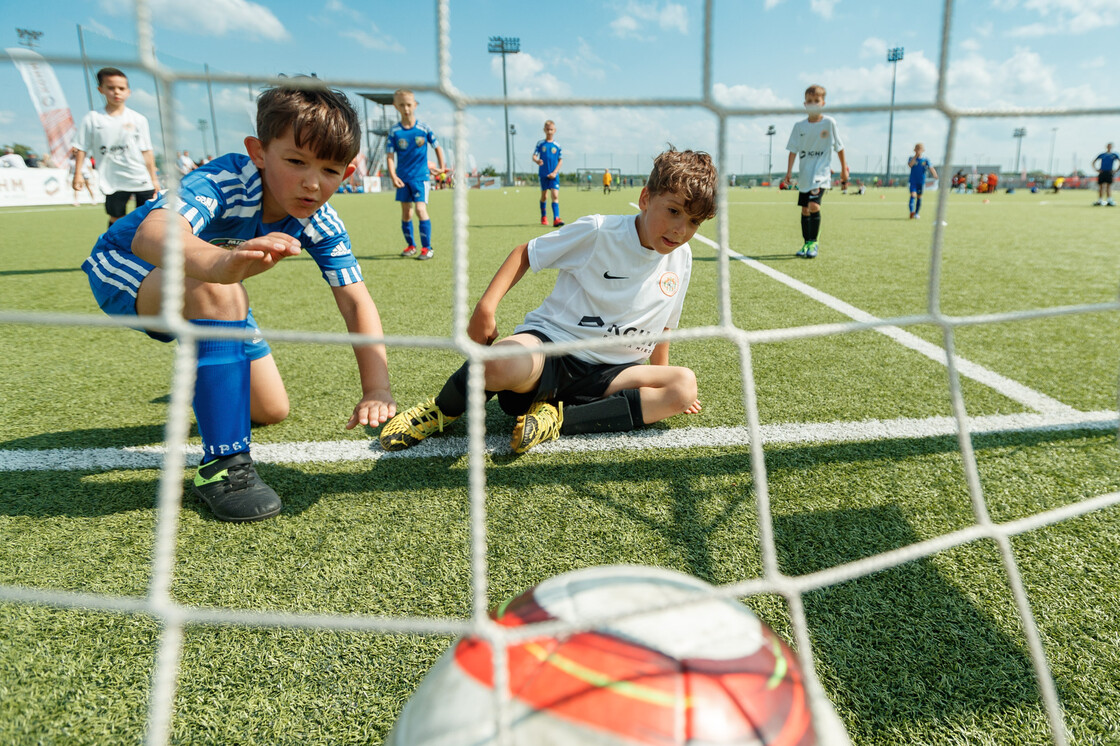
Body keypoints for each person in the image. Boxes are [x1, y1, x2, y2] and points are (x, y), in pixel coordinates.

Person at [80, 78, 396, 522]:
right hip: (125, 266)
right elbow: (152, 236)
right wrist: (217, 267)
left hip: (214, 288)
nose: (312, 183)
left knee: (270, 410)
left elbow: (355, 301)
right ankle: (222, 467)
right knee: (222, 292)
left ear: (347, 173)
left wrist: (376, 388)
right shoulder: (226, 179)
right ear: (258, 152)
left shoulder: (320, 218)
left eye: (329, 170)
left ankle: (209, 362)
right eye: (295, 161)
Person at [378, 148, 716, 455]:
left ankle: (559, 419)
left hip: (613, 375)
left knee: (682, 387)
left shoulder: (681, 258)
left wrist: (658, 379)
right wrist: (485, 308)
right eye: (673, 211)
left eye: (693, 222)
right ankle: (441, 409)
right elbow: (526, 253)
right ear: (645, 198)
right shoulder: (599, 232)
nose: (680, 230)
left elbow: (664, 324)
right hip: (554, 352)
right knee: (497, 363)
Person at [73, 67, 161, 228]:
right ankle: (114, 251)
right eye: (111, 88)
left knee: (146, 220)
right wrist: (77, 174)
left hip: (140, 177)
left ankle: (142, 252)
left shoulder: (138, 119)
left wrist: (154, 179)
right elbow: (81, 148)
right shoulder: (92, 119)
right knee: (116, 219)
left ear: (128, 91)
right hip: (112, 180)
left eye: (121, 88)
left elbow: (146, 150)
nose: (116, 92)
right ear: (101, 90)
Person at [783, 84, 848, 259]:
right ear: (805, 104)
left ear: (822, 103)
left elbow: (839, 148)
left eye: (816, 101)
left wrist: (844, 170)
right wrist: (789, 172)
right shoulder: (799, 126)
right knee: (805, 210)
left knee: (814, 206)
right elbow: (793, 150)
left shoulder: (829, 123)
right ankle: (806, 243)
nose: (813, 104)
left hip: (821, 174)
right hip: (804, 174)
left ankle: (814, 243)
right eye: (809, 101)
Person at [386, 88, 446, 260]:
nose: (406, 109)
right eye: (402, 105)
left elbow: (437, 146)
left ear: (415, 105)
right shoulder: (394, 131)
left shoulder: (423, 128)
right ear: (396, 106)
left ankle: (427, 248)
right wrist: (393, 176)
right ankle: (411, 246)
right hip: (403, 178)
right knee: (406, 213)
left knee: (420, 209)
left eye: (409, 105)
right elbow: (390, 156)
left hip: (420, 177)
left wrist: (442, 167)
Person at [532, 120, 564, 227]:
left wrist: (555, 172)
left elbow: (560, 160)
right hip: (543, 174)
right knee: (544, 196)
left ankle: (556, 218)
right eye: (547, 129)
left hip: (554, 175)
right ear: (544, 130)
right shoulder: (540, 144)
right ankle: (544, 216)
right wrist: (537, 161)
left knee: (555, 195)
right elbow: (534, 156)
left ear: (555, 130)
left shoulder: (557, 145)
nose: (549, 132)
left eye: (551, 130)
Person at [907, 143, 938, 219]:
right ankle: (912, 212)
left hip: (921, 182)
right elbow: (910, 165)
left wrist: (935, 174)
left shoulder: (925, 160)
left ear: (923, 150)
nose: (918, 151)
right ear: (914, 150)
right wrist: (915, 156)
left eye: (920, 149)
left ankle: (916, 213)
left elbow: (931, 167)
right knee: (913, 195)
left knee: (919, 197)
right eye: (917, 149)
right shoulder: (912, 158)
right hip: (913, 181)